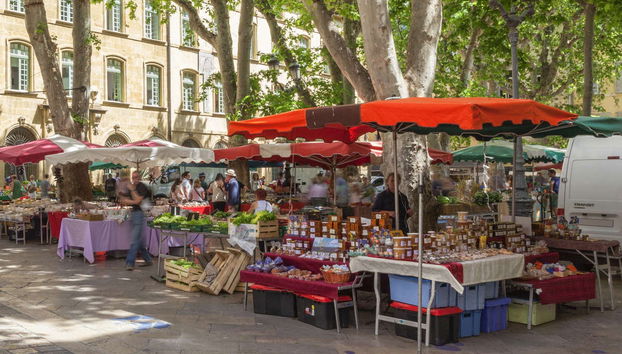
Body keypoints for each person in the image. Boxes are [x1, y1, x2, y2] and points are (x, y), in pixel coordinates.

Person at [119, 171, 152, 270]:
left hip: (140, 214)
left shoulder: (142, 186)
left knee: (135, 239)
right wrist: (132, 200)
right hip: (133, 213)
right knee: (139, 239)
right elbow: (123, 200)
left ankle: (130, 262)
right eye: (133, 177)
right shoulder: (131, 186)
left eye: (136, 177)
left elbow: (138, 200)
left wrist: (133, 191)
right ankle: (148, 259)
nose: (134, 179)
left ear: (140, 177)